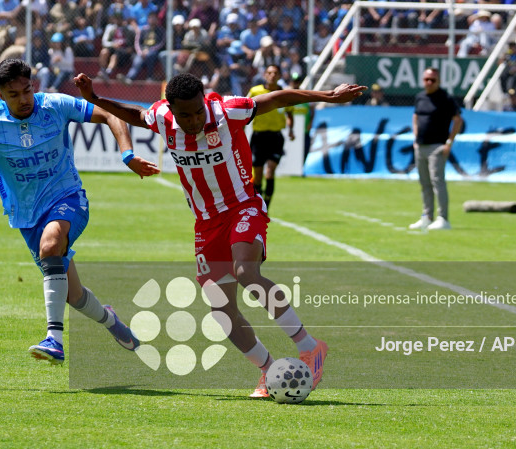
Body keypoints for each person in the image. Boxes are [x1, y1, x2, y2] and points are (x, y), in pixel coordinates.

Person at [72, 70, 366, 397]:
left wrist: (329, 96)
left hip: (243, 207)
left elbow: (278, 98)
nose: (194, 120)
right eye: (185, 115)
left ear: (204, 101)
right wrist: (95, 99)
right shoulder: (162, 117)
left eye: (198, 111)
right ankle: (268, 371)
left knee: (246, 272)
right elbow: (137, 115)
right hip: (206, 223)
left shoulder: (228, 111)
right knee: (222, 310)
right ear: (172, 109)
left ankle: (310, 347)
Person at [0, 59, 160, 366]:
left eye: (27, 90)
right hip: (27, 215)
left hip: (69, 197)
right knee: (73, 295)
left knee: (50, 245)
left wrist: (127, 154)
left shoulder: (55, 105)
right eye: (14, 94)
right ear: (0, 95)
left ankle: (54, 340)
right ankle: (111, 321)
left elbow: (108, 114)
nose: (24, 99)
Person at [409, 67, 462, 231]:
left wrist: (449, 142)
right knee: (424, 183)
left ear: (439, 81)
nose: (429, 82)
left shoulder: (446, 98)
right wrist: (416, 137)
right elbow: (416, 116)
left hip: (437, 146)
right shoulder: (420, 97)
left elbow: (458, 119)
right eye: (427, 79)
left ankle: (443, 218)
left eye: (433, 80)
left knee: (437, 182)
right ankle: (427, 216)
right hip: (421, 145)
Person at [246, 64, 293, 209]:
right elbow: (244, 109)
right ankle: (258, 206)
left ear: (279, 76)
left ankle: (266, 206)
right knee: (257, 175)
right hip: (258, 137)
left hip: (275, 137)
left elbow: (289, 113)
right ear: (265, 75)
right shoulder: (255, 91)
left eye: (275, 73)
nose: (272, 75)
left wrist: (291, 129)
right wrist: (240, 130)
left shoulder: (284, 93)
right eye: (269, 73)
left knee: (270, 171)